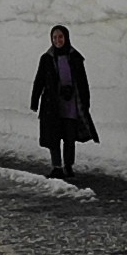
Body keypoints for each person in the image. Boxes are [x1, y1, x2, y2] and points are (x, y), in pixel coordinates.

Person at [29, 24, 98, 179]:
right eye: (55, 37)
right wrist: (34, 100)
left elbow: (83, 82)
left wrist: (85, 102)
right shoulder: (46, 58)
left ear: (66, 38)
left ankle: (68, 165)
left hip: (72, 104)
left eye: (60, 37)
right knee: (54, 136)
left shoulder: (75, 57)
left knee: (69, 137)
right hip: (52, 105)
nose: (58, 40)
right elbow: (39, 80)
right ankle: (56, 167)